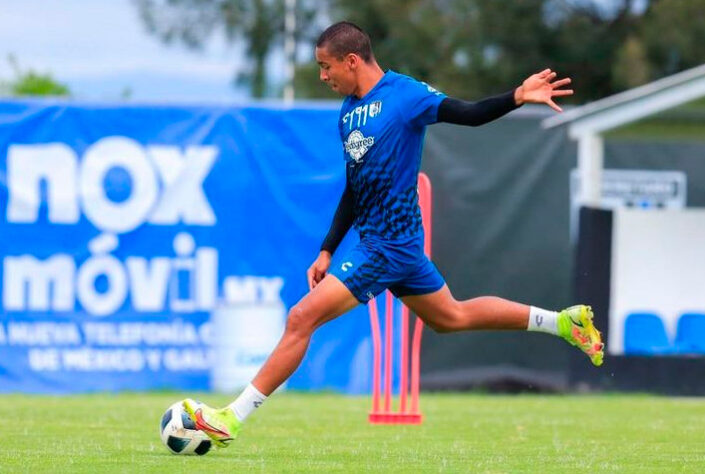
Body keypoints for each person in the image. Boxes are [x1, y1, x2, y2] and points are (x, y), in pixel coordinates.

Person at [184, 21, 603, 446]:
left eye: (326, 67)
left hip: (387, 246)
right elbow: (354, 186)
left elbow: (469, 114)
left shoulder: (406, 96)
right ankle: (563, 323)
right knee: (451, 317)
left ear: (352, 60)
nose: (323, 76)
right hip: (391, 245)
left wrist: (517, 96)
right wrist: (328, 248)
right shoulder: (349, 111)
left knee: (300, 317)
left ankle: (231, 418)